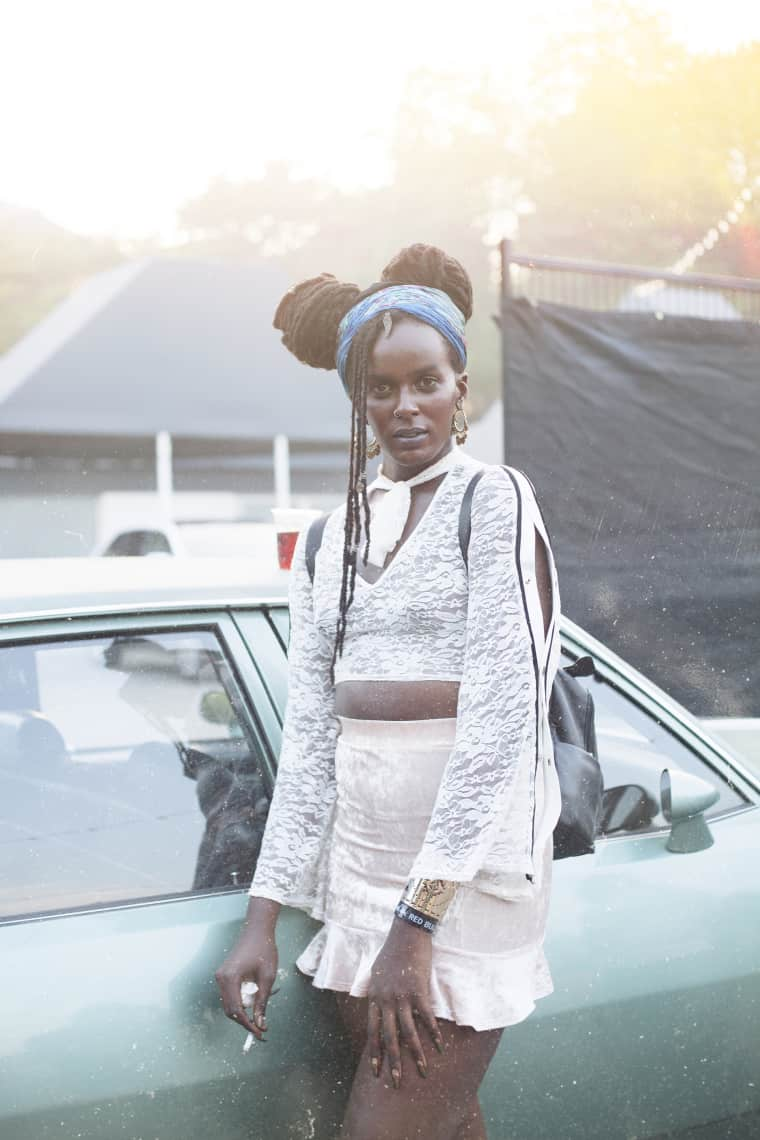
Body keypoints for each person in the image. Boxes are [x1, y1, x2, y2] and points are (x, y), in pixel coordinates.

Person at [215, 244, 562, 1140]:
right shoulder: (331, 537)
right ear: (357, 402)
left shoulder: (494, 501)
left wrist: (418, 927)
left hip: (462, 886)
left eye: (426, 382)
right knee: (440, 1125)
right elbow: (311, 742)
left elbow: (498, 726)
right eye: (380, 388)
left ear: (460, 388)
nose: (405, 406)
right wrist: (263, 917)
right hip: (359, 874)